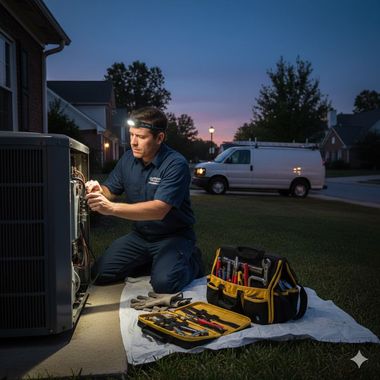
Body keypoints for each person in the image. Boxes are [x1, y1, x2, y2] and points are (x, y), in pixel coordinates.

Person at [85, 106, 204, 293]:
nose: (133, 142)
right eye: (132, 135)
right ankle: (156, 262)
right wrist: (98, 190)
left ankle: (192, 261)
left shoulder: (175, 164)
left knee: (165, 284)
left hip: (173, 236)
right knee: (99, 274)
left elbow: (159, 209)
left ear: (159, 138)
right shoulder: (127, 159)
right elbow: (110, 190)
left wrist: (112, 209)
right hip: (140, 236)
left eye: (141, 137)